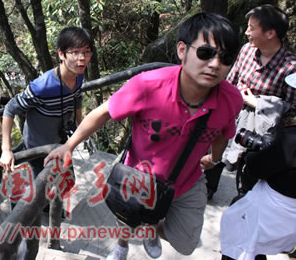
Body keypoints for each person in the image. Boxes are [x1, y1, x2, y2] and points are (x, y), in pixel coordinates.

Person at [45, 13, 243, 259]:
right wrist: (70, 145)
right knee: (127, 220)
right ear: (182, 50)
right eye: (205, 53)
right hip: (139, 176)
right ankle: (123, 246)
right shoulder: (148, 86)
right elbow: (104, 112)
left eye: (225, 58)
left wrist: (214, 158)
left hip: (186, 181)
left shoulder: (231, 99)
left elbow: (223, 133)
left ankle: (151, 228)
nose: (215, 64)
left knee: (185, 243)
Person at [0, 26, 94, 257]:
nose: (82, 58)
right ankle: (20, 245)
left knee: (62, 183)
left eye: (87, 51)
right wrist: (5, 149)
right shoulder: (43, 86)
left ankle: (52, 211)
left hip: (59, 144)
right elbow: (10, 108)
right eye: (75, 52)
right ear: (61, 54)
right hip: (35, 150)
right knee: (26, 202)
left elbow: (78, 96)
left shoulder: (79, 74)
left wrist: (80, 126)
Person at [206, 4, 296, 200]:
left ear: (270, 33)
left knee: (249, 167)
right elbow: (231, 80)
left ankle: (244, 197)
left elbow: (292, 110)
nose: (247, 32)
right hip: (232, 114)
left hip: (259, 130)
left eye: (252, 28)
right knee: (217, 149)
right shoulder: (246, 50)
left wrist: (257, 103)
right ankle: (207, 188)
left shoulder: (290, 67)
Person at [220, 109, 296, 260]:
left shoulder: (292, 136)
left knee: (237, 223)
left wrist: (254, 154)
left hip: (275, 212)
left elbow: (257, 168)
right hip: (289, 225)